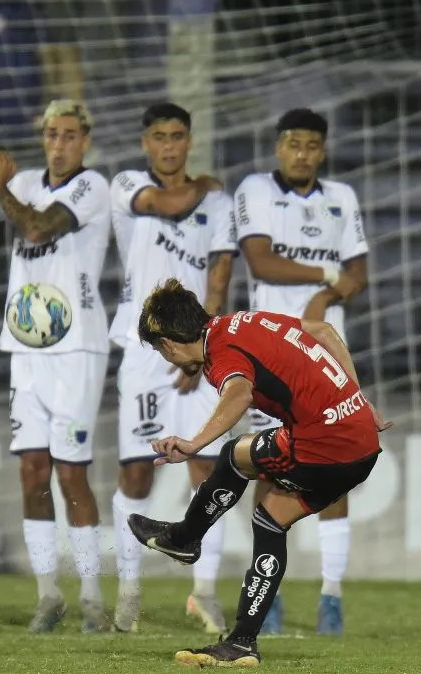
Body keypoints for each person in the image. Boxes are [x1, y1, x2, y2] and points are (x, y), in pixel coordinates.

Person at [127, 278, 390, 667]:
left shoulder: (220, 353)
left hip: (325, 445)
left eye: (160, 351)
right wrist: (358, 400)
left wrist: (195, 443)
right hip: (361, 444)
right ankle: (242, 643)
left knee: (235, 455)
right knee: (270, 518)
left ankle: (185, 538)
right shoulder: (246, 322)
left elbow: (238, 393)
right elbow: (324, 331)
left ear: (167, 343)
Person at [0, 99, 113, 633]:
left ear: (84, 139)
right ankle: (48, 596)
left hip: (77, 347)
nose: (58, 144)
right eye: (50, 134)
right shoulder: (28, 181)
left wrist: (1, 188)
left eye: (67, 135)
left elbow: (37, 228)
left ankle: (92, 599)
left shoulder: (91, 188)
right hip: (26, 349)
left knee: (71, 472)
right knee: (31, 470)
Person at [234, 107, 369, 633]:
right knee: (269, 469)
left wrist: (324, 295)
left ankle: (331, 597)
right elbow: (261, 261)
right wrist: (327, 272)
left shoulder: (342, 198)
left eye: (312, 145)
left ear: (322, 150)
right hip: (269, 353)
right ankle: (267, 595)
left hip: (325, 357)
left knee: (334, 476)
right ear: (278, 148)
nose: (302, 154)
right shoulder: (255, 191)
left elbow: (359, 272)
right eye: (293, 144)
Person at [107, 102, 235, 633]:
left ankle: (203, 593)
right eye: (159, 136)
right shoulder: (127, 185)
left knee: (208, 469)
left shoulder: (218, 202)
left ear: (189, 138)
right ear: (145, 141)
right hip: (142, 351)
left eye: (178, 136)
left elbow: (220, 276)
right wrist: (205, 185)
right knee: (137, 471)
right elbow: (170, 200)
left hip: (200, 350)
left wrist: (200, 349)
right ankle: (129, 591)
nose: (168, 145)